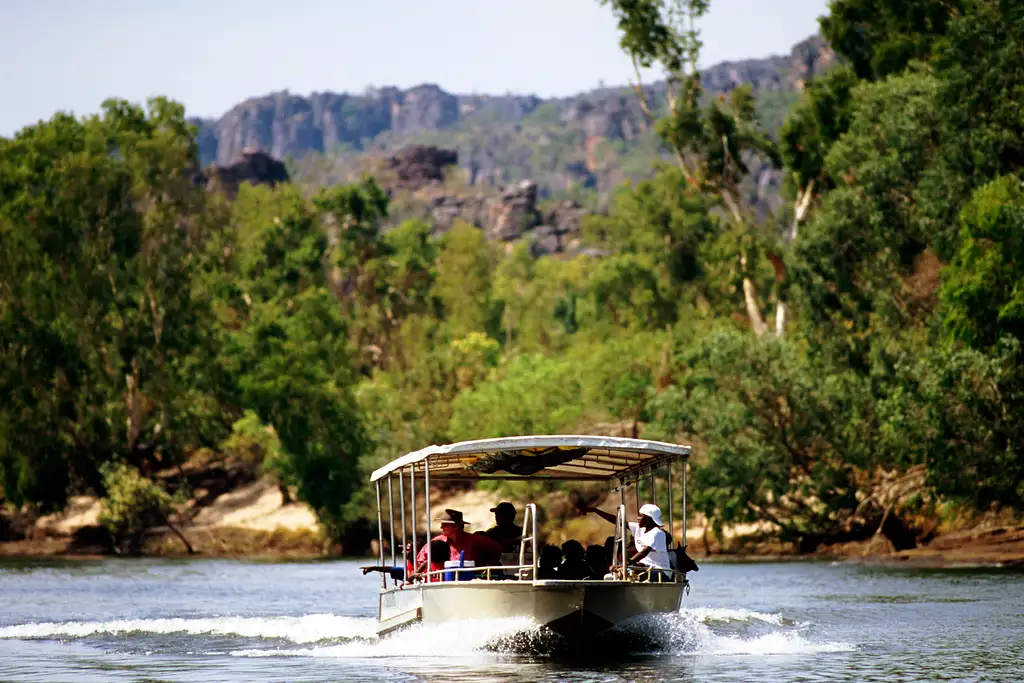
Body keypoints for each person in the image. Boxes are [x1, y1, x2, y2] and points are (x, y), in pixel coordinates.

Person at [576, 501, 672, 581]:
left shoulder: (657, 533)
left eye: (640, 516)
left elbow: (644, 552)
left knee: (628, 574)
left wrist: (625, 565)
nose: (637, 518)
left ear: (649, 519)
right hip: (644, 567)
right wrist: (595, 510)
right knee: (611, 576)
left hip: (660, 572)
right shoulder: (639, 528)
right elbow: (617, 521)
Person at [415, 509, 503, 570]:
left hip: (472, 580)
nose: (441, 527)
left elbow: (497, 549)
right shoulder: (437, 542)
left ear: (455, 527)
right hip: (444, 580)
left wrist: (488, 565)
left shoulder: (475, 540)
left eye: (444, 525)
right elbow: (420, 559)